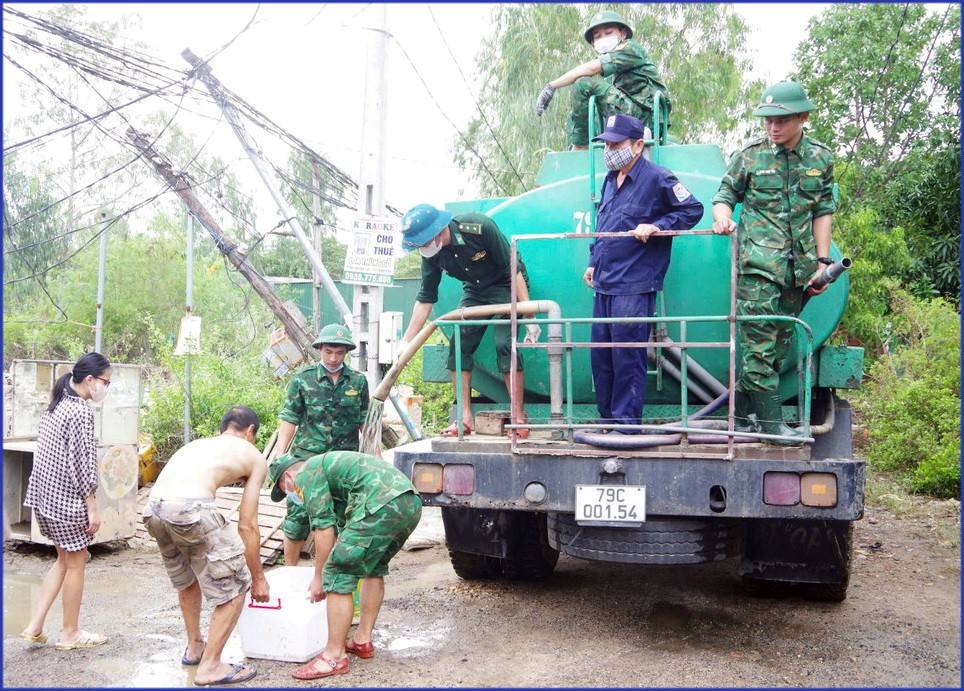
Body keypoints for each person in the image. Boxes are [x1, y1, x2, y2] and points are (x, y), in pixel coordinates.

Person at [711, 81, 836, 445]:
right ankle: (770, 428)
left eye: (781, 120)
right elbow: (724, 195)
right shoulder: (750, 156)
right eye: (767, 120)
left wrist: (822, 261)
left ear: (803, 117)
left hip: (797, 272)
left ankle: (745, 416)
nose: (772, 127)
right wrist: (722, 217)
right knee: (759, 347)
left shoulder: (820, 159)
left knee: (779, 346)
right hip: (758, 268)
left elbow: (823, 209)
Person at [585, 113, 704, 431]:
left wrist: (657, 226)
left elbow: (692, 210)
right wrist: (593, 260)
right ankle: (606, 420)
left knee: (627, 357)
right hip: (605, 282)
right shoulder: (610, 179)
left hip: (634, 284)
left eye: (616, 144)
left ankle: (626, 426)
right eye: (606, 145)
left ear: (638, 145)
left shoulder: (658, 178)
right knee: (601, 356)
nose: (609, 150)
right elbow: (604, 224)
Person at [266, 450, 422, 680]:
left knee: (337, 571)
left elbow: (323, 528)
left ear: (288, 477)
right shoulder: (330, 472)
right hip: (409, 502)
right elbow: (340, 528)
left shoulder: (306, 473)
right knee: (372, 567)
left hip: (380, 501)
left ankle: (333, 657)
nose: (292, 494)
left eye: (284, 489)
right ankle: (362, 640)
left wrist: (319, 577)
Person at [143, 406, 269, 686]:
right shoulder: (254, 455)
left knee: (187, 579)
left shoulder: (199, 444)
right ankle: (211, 666)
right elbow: (247, 525)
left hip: (154, 509)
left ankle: (195, 646)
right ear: (250, 432)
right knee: (236, 586)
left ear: (223, 429)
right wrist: (258, 578)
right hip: (189, 509)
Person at [399, 203, 540, 437]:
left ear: (437, 231)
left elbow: (513, 269)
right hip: (476, 291)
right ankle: (465, 419)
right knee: (458, 345)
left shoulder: (478, 227)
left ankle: (518, 418)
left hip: (507, 284)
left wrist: (529, 315)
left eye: (423, 243)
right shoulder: (431, 253)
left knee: (506, 344)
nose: (423, 248)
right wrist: (406, 342)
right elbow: (426, 298)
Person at [20, 352, 111, 651]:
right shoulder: (80, 412)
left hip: (44, 499)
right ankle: (70, 633)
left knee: (63, 560)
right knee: (76, 563)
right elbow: (83, 464)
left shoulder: (56, 406)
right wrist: (92, 506)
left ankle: (34, 626)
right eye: (105, 382)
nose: (106, 388)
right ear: (89, 380)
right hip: (67, 503)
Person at [266, 323, 369, 566]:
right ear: (320, 349)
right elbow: (289, 418)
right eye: (328, 352)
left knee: (342, 518)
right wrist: (281, 458)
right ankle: (290, 572)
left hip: (343, 464)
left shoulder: (358, 382)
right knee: (297, 519)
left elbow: (365, 422)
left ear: (346, 353)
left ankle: (329, 574)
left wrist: (374, 456)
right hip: (306, 463)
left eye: (339, 353)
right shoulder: (302, 380)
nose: (333, 358)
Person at [535, 10, 672, 149]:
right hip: (626, 119)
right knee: (579, 111)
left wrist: (552, 86)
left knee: (583, 84)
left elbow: (590, 69)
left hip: (646, 121)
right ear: (593, 43)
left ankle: (580, 148)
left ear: (622, 33)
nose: (603, 39)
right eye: (598, 36)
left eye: (608, 33)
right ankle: (577, 147)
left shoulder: (630, 49)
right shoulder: (609, 74)